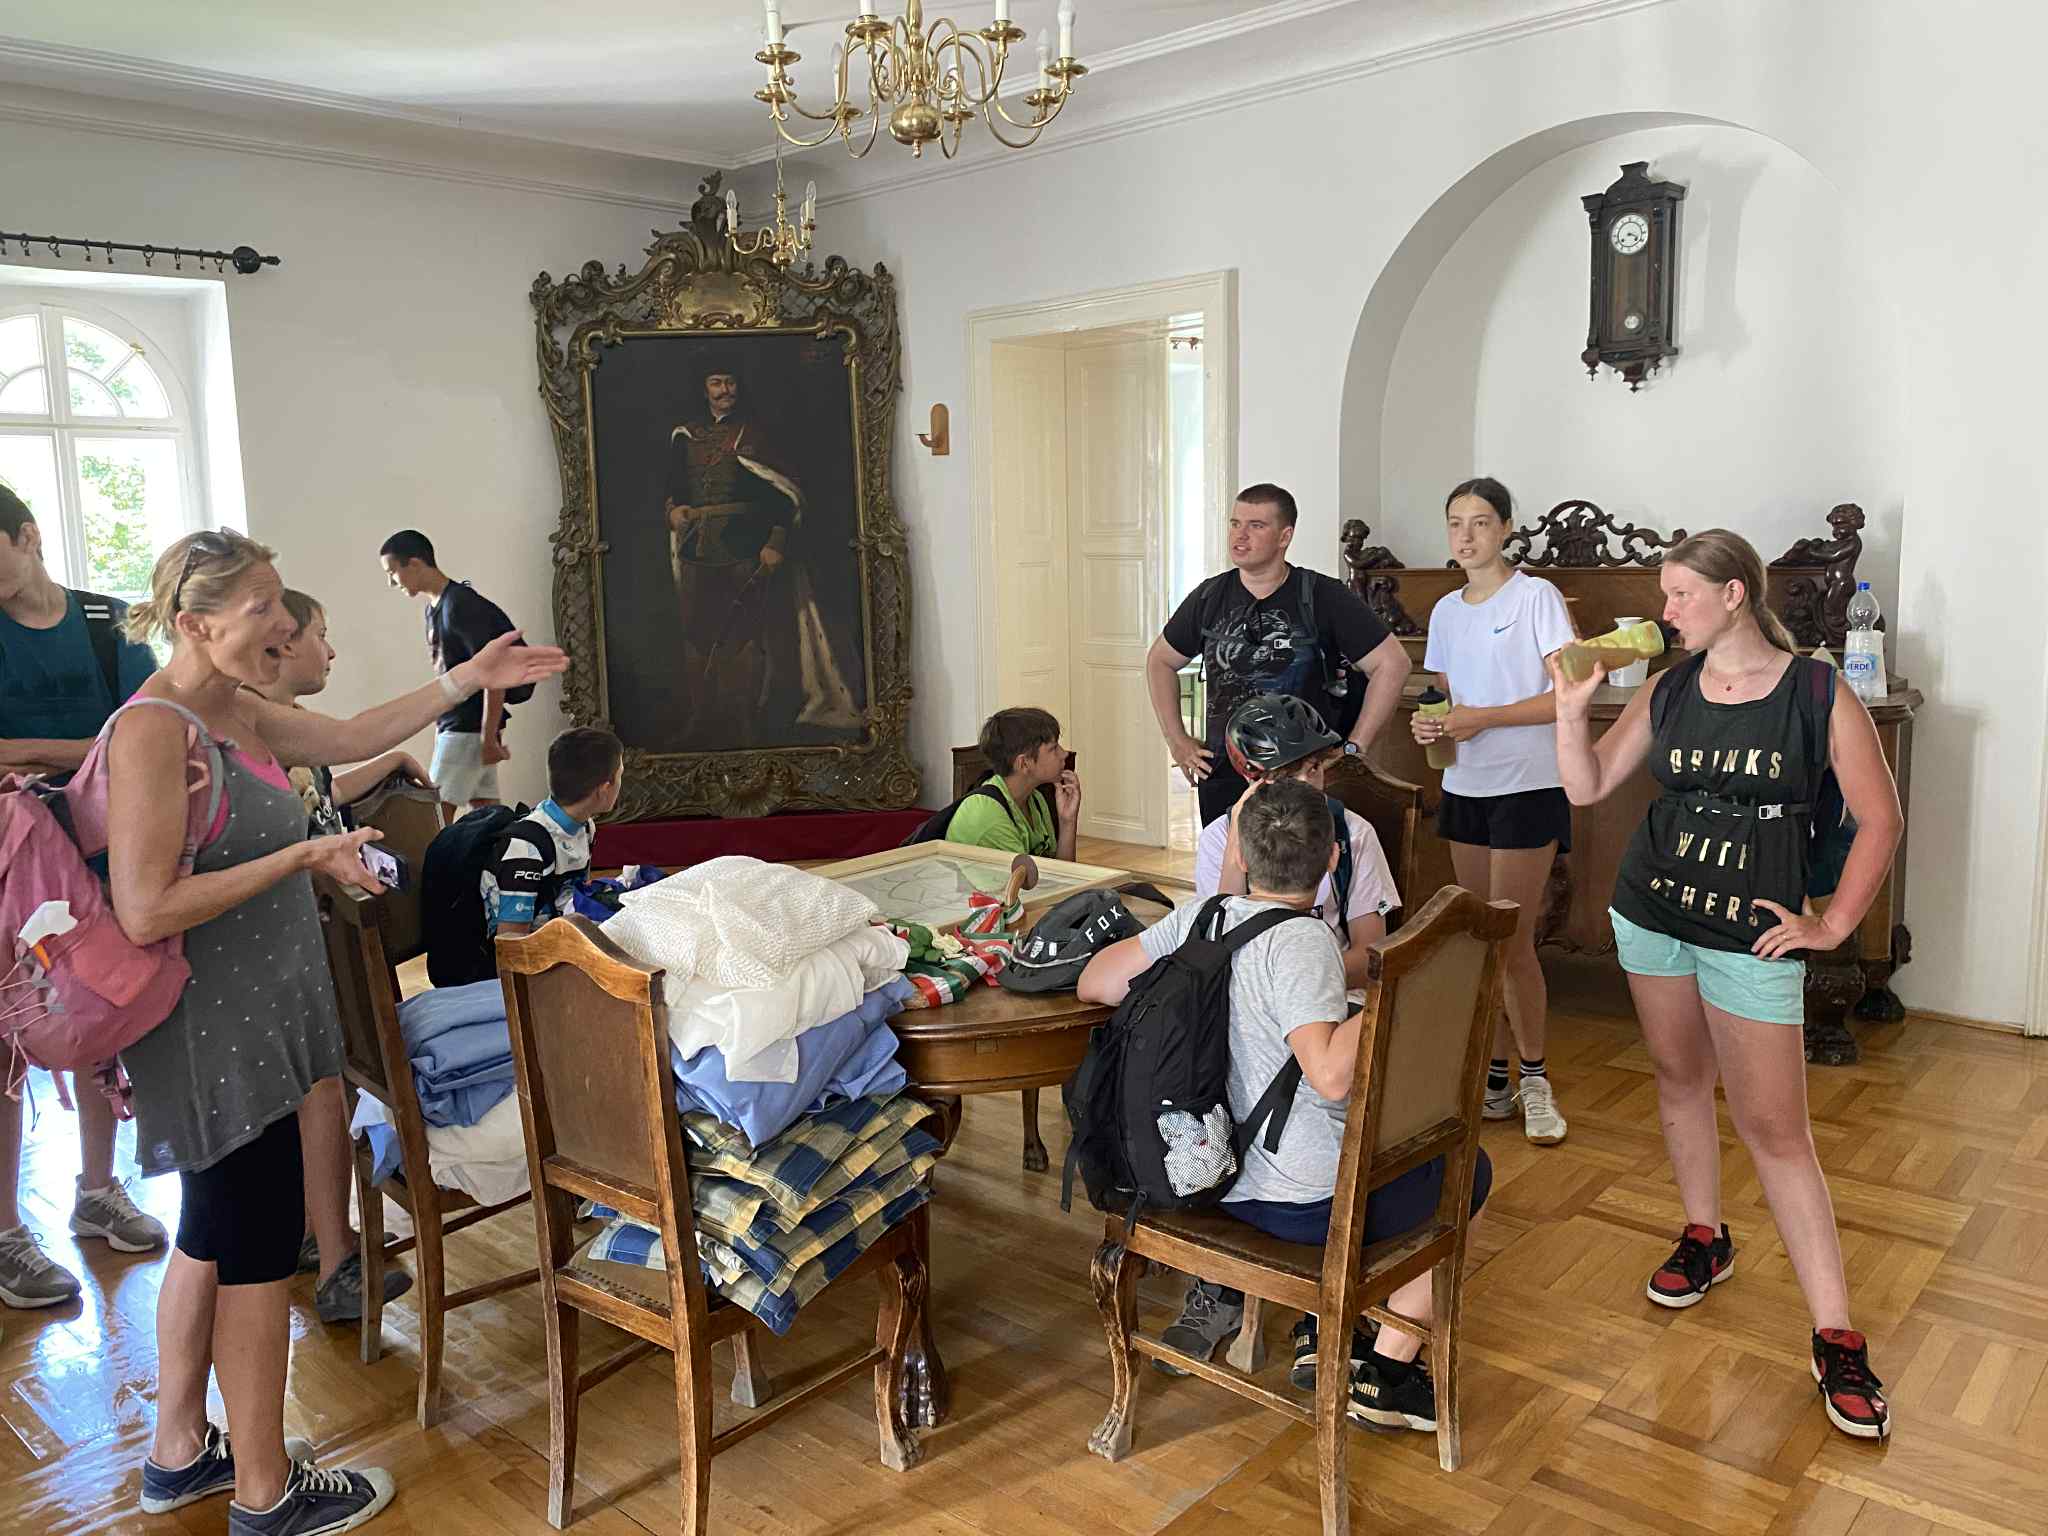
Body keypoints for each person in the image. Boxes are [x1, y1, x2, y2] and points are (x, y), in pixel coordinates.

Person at [109, 529, 564, 1527]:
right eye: (263, 606)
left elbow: (355, 731)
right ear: (194, 623)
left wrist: (469, 678)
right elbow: (143, 909)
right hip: (214, 1033)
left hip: (257, 1018)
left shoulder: (235, 711)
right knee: (256, 1252)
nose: (283, 622)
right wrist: (301, 858)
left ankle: (179, 1453)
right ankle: (267, 1493)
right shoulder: (153, 730)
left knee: (211, 1233)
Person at [1550, 528, 1900, 1442]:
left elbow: (1880, 818)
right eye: (1665, 596)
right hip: (1653, 910)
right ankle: (1705, 1235)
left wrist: (1833, 925)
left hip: (1754, 935)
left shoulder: (1816, 692)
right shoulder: (1668, 688)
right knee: (1678, 1080)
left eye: (1680, 595)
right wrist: (1569, 711)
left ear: (1734, 593)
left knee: (1776, 1132)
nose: (1666, 613)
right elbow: (1587, 787)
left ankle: (1836, 1334)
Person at [1079, 777, 1490, 1431]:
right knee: (1470, 1171)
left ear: (1241, 854)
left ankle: (1346, 1340)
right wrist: (1398, 988)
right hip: (1293, 1199)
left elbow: (1095, 982)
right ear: (1332, 860)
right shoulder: (1304, 941)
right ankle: (1386, 1373)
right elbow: (1329, 1075)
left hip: (1200, 1170)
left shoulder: (1204, 918)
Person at [0, 484, 169, 1310]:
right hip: (8, 870)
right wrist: (94, 747)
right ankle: (5, 1233)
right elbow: (115, 741)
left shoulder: (108, 625)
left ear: (27, 536)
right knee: (6, 1044)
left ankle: (98, 1190)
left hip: (100, 861)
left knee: (108, 1016)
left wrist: (24, 749)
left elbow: (150, 733)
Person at [252, 588, 425, 1323]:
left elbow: (327, 789)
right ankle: (337, 1263)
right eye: (318, 634)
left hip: (312, 941)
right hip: (294, 945)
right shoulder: (263, 738)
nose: (329, 650)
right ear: (282, 643)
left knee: (326, 1092)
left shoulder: (284, 733)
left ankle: (312, 1233)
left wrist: (391, 763)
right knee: (322, 1092)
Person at [1410, 478, 1574, 1146]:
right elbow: (1446, 701)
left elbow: (1565, 696)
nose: (1467, 535)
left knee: (1511, 939)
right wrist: (1435, 725)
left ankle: (1536, 1079)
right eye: (1456, 522)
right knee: (1480, 939)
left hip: (1528, 785)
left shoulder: (1536, 597)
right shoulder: (1447, 611)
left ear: (1506, 528)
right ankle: (1496, 1077)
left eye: (1480, 522)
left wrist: (1485, 719)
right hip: (1466, 787)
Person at [1147, 483, 1411, 828]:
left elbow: (1393, 664)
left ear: (1285, 536)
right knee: (1227, 862)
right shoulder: (1209, 597)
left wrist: (1353, 750)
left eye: (1256, 525)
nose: (1240, 535)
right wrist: (1177, 740)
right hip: (1226, 777)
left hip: (1305, 780)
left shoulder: (1323, 595)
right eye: (1235, 523)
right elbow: (1160, 661)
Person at [664, 356, 859, 741]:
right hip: (696, 549)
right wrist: (673, 512)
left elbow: (783, 494)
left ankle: (744, 720)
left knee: (743, 635)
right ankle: (703, 718)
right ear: (704, 388)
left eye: (730, 382)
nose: (724, 390)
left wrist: (775, 541)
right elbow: (675, 489)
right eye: (716, 382)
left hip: (746, 546)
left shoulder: (758, 434)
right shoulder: (686, 436)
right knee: (698, 633)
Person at [1195, 694, 1399, 997]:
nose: (1307, 785)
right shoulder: (1218, 838)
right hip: (1245, 995)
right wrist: (1237, 839)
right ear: (1253, 777)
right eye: (1288, 775)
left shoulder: (1354, 834)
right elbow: (1217, 944)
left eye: (1314, 768)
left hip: (1333, 989)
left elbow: (1369, 955)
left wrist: (1295, 980)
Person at [379, 529, 517, 817]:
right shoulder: (435, 607)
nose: (391, 582)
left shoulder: (460, 605)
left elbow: (495, 671)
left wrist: (488, 736)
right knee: (486, 813)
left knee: (435, 816)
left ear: (414, 564)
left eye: (392, 572)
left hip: (465, 729)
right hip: (463, 726)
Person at [483, 727, 625, 943]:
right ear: (604, 788)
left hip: (562, 938)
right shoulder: (526, 849)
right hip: (529, 955)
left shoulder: (586, 826)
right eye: (620, 775)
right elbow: (510, 945)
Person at [946, 706, 1080, 861]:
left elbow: (1059, 871)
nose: (1064, 754)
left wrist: (1067, 821)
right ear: (1024, 763)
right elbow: (1031, 877)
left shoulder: (1035, 798)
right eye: (1053, 748)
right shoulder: (989, 818)